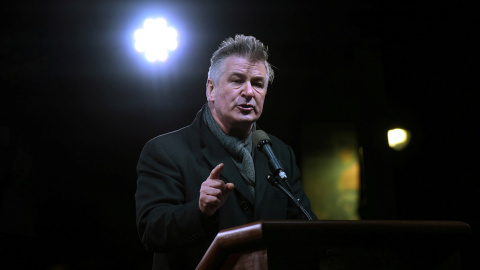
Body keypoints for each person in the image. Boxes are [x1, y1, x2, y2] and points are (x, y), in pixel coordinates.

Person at [135, 34, 317, 270]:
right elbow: (152, 232)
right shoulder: (165, 151)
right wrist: (199, 211)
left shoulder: (280, 153)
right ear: (211, 89)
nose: (249, 91)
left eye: (258, 83)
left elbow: (305, 227)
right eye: (237, 80)